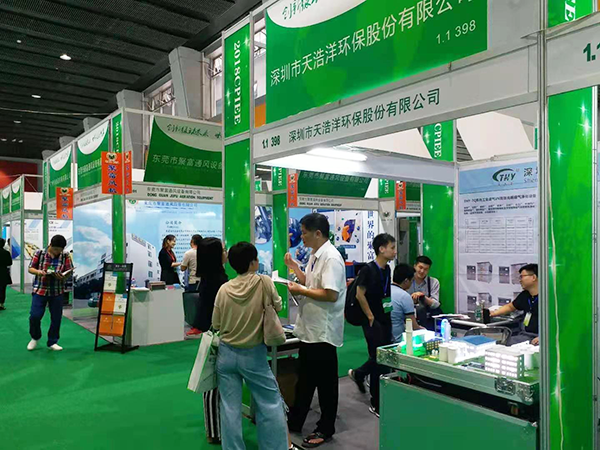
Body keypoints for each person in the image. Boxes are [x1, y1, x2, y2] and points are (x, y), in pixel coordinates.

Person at [213, 242, 288, 450]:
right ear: (253, 262)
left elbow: (216, 323)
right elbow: (278, 306)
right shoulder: (264, 282)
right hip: (254, 355)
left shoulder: (224, 289)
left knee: (229, 409)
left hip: (226, 355)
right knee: (269, 403)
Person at [285, 213, 346, 448]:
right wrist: (295, 269)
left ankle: (326, 428)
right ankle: (296, 420)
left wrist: (301, 291)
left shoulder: (331, 258)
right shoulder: (315, 255)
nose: (301, 237)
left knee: (326, 384)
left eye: (304, 233)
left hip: (323, 332)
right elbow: (311, 284)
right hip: (310, 330)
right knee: (306, 379)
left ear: (318, 233)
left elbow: (330, 294)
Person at [347, 233, 396, 417]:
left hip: (385, 317)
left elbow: (386, 293)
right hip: (371, 320)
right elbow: (359, 294)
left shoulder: (387, 269)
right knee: (378, 358)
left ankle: (359, 374)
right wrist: (370, 316)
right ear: (381, 249)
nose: (394, 251)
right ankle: (376, 402)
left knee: (383, 357)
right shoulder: (368, 270)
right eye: (392, 247)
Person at [195, 237, 229, 444]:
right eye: (223, 250)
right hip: (216, 335)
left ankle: (216, 429)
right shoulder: (217, 281)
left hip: (214, 333)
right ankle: (214, 432)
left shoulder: (211, 278)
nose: (226, 253)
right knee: (211, 384)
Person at [26, 234, 72, 351]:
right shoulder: (39, 253)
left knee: (56, 318)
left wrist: (63, 276)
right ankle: (35, 337)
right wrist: (39, 272)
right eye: (55, 249)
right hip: (40, 290)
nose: (57, 252)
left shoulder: (65, 255)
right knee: (35, 316)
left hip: (57, 291)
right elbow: (30, 268)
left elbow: (69, 271)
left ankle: (53, 341)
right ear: (50, 245)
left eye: (60, 250)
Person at [490, 264, 539, 345]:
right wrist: (493, 313)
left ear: (533, 277)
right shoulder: (525, 295)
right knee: (499, 344)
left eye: (522, 277)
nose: (520, 280)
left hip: (540, 337)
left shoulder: (549, 298)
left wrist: (544, 337)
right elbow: (510, 307)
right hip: (525, 335)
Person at [406, 256, 441, 330]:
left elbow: (436, 304)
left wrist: (422, 297)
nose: (422, 271)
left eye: (425, 269)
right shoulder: (407, 281)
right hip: (409, 318)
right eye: (420, 267)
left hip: (427, 319)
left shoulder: (433, 282)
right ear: (415, 266)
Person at [391, 264, 423, 343]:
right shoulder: (405, 296)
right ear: (406, 281)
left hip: (384, 336)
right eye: (412, 280)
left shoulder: (386, 292)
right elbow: (412, 325)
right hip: (398, 340)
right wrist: (424, 331)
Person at [0, 238, 12, 310]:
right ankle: (1, 304)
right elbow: (9, 263)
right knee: (2, 289)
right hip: (3, 273)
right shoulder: (6, 253)